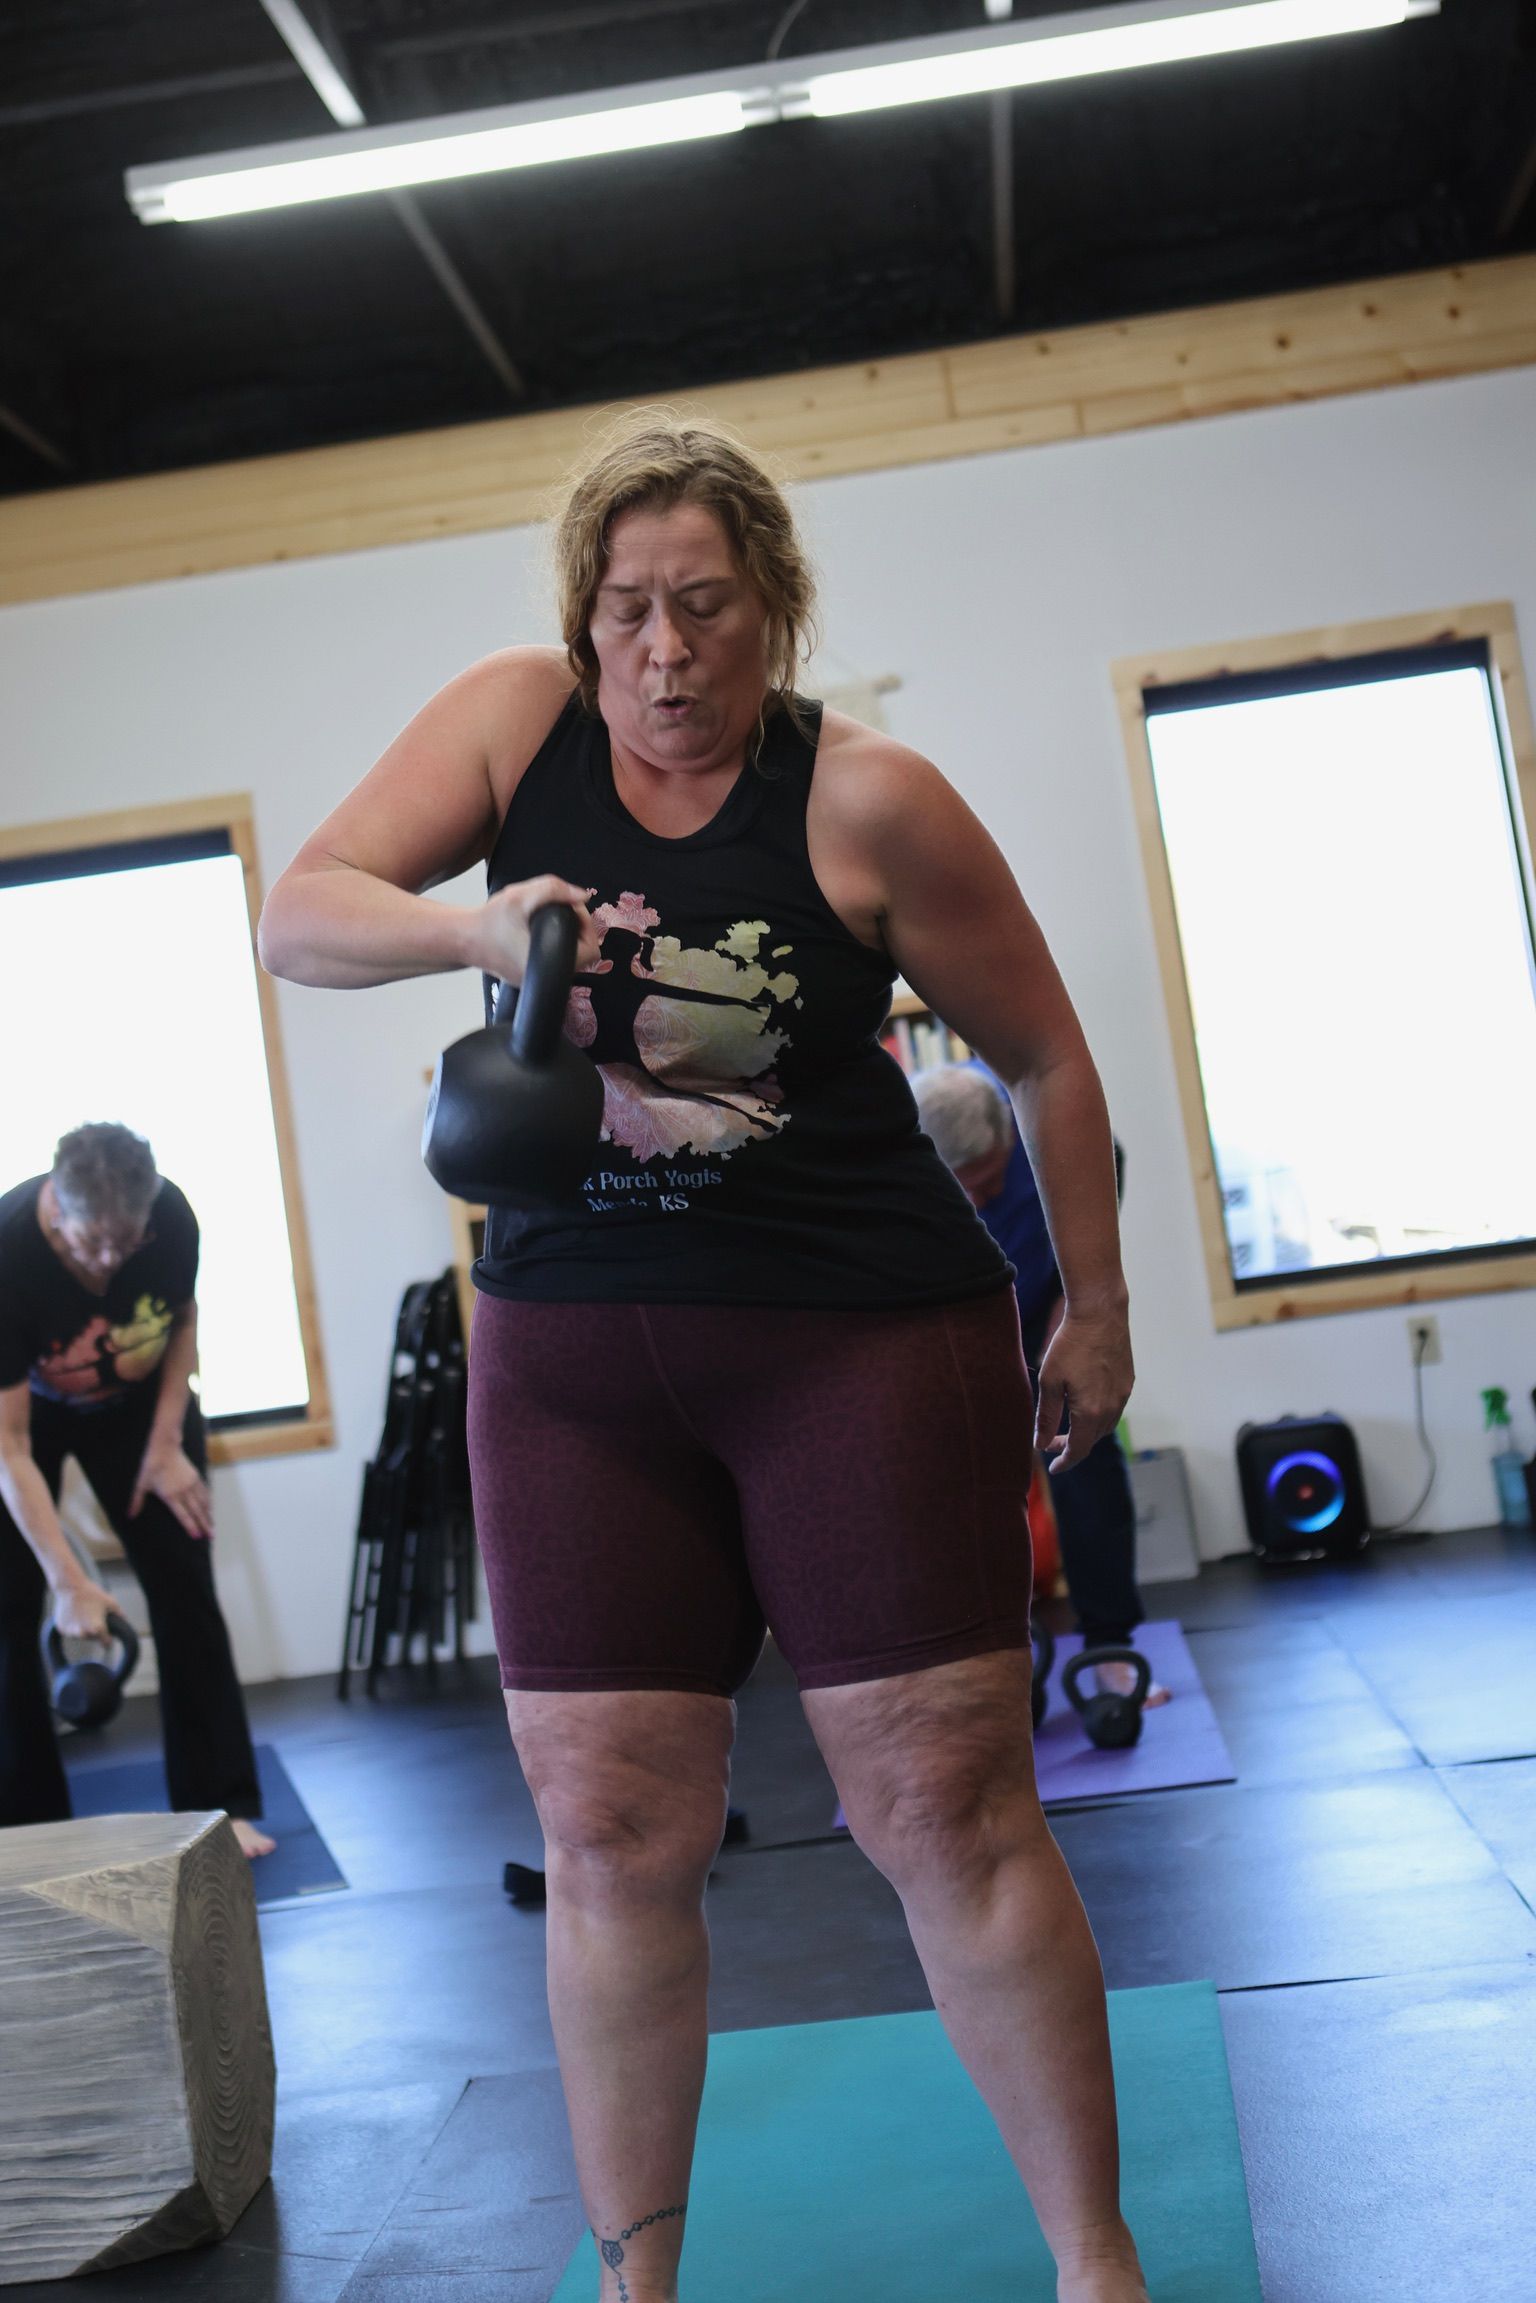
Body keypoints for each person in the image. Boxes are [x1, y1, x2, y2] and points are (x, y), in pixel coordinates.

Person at [259, 415, 1149, 2303]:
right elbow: (300, 912)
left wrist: (1104, 1295)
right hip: (574, 1360)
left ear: (775, 614)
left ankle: (1095, 2262)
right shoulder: (517, 726)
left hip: (858, 1338)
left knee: (946, 1805)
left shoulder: (867, 800)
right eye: (631, 612)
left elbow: (1052, 1054)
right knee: (606, 1833)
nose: (668, 652)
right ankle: (635, 2284)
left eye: (709, 609)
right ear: (585, 623)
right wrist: (463, 921)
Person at [0, 1122, 272, 1857]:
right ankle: (26, 1832)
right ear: (56, 1204)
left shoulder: (171, 1217)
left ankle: (221, 1808)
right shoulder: (8, 1248)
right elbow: (10, 1445)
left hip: (143, 1406)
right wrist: (68, 1578)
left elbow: (182, 1322)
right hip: (30, 1419)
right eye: (91, 1247)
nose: (107, 1265)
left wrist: (164, 1451)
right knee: (9, 1600)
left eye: (125, 1246)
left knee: (185, 1580)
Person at [912, 1063, 1169, 1707]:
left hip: (1045, 1308)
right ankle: (995, 1663)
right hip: (955, 1321)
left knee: (1083, 1459)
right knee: (963, 1492)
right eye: (960, 1190)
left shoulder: (1052, 1127)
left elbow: (1106, 1173)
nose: (976, 1202)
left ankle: (1111, 1651)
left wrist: (1073, 1308)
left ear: (1010, 1138)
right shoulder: (889, 1154)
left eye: (989, 1183)